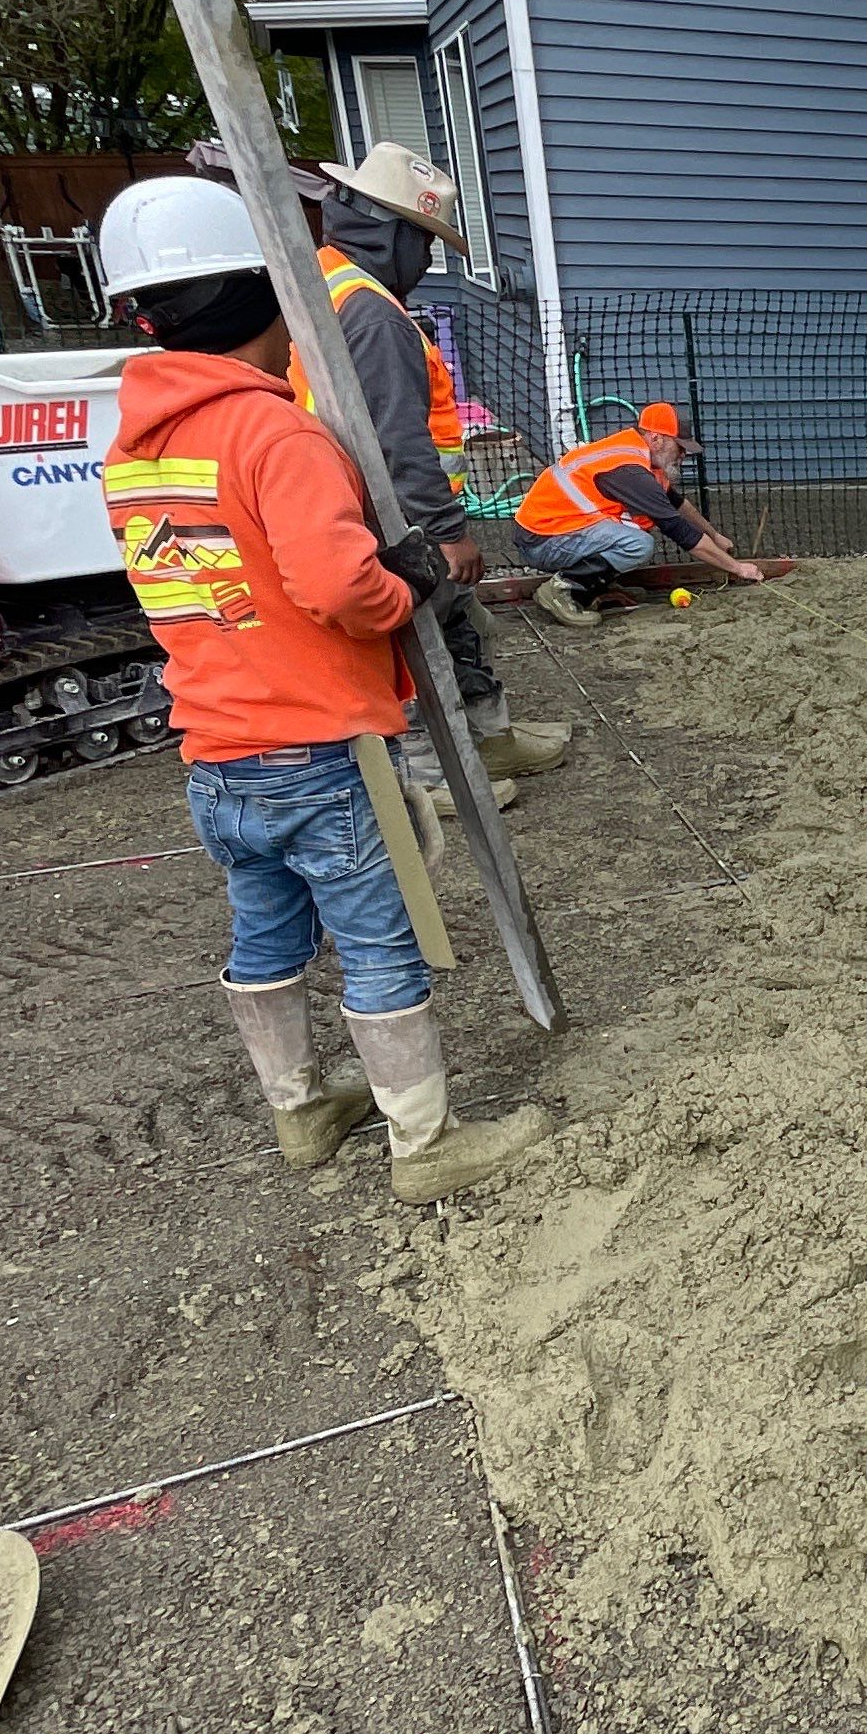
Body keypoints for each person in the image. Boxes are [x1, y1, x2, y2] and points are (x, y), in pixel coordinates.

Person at [95, 177, 550, 1204]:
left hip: (215, 754)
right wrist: (414, 578)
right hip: (315, 747)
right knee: (380, 935)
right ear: (269, 296)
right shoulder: (276, 436)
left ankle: (301, 1111)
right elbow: (341, 587)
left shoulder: (132, 451)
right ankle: (424, 1146)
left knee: (265, 934)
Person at [306, 139, 570, 799]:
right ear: (391, 231)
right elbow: (398, 440)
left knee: (459, 622)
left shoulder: (334, 283)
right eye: (422, 240)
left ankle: (489, 740)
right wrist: (448, 531)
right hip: (384, 516)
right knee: (415, 638)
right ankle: (428, 774)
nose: (425, 259)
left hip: (378, 508)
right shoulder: (370, 313)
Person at [511, 404, 773, 623]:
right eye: (679, 447)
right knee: (637, 543)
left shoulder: (640, 457)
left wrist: (715, 536)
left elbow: (678, 503)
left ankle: (592, 587)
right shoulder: (631, 470)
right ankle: (561, 589)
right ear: (656, 439)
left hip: (556, 531)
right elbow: (679, 531)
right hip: (542, 541)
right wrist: (738, 568)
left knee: (635, 530)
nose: (682, 455)